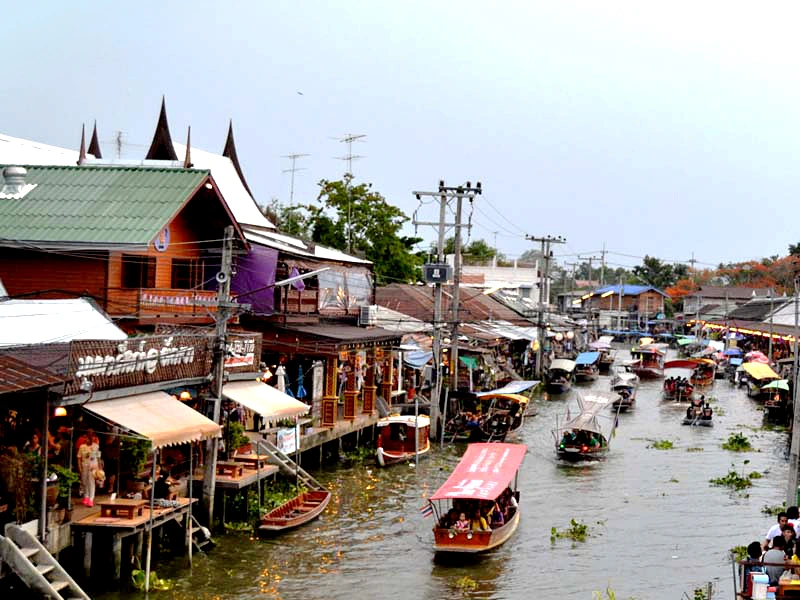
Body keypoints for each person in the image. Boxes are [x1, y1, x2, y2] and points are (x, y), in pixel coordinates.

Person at [77, 429, 101, 507]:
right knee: (84, 481)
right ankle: (86, 496)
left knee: (91, 482)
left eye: (91, 437)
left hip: (93, 466)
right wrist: (80, 467)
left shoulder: (96, 446)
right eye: (87, 437)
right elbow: (79, 458)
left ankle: (91, 498)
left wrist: (99, 469)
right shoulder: (82, 447)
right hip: (85, 466)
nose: (89, 439)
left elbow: (98, 458)